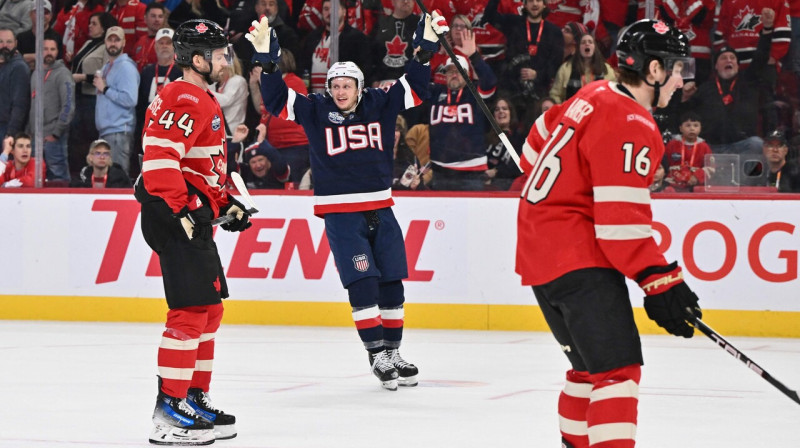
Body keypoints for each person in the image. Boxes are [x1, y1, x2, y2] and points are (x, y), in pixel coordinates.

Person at [516, 20, 702, 448]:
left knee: (588, 372)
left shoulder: (592, 93)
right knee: (617, 374)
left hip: (541, 257)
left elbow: (531, 153)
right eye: (676, 68)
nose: (681, 79)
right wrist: (661, 281)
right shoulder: (632, 121)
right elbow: (620, 227)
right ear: (653, 70)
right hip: (579, 258)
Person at [248, 10, 449, 390]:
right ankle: (376, 355)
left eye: (346, 86)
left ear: (359, 87)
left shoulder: (380, 102)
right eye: (335, 86)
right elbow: (275, 100)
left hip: (380, 206)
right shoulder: (316, 109)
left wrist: (426, 47)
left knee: (392, 284)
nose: (340, 91)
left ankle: (393, 352)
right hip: (341, 214)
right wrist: (266, 61)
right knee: (363, 283)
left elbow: (416, 86)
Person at [135, 19, 251, 445]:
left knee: (208, 311)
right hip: (173, 213)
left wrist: (225, 205)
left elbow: (198, 168)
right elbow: (159, 162)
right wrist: (184, 208)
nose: (225, 60)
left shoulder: (197, 96)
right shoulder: (186, 96)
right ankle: (168, 411)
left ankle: (192, 397)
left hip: (187, 213)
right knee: (188, 314)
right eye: (219, 54)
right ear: (197, 59)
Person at [680, 9, 775, 156]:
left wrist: (767, 30)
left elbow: (761, 57)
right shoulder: (705, 88)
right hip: (710, 148)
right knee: (690, 146)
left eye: (732, 58)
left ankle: (748, 180)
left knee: (757, 144)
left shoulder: (748, 81)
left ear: (738, 64)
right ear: (716, 66)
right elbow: (686, 119)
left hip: (742, 146)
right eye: (724, 58)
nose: (729, 60)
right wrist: (686, 98)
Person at [428, 45, 497, 191]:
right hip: (440, 171)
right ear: (445, 75)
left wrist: (474, 56)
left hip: (471, 172)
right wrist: (419, 59)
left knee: (471, 214)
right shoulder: (435, 92)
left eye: (459, 71)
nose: (454, 74)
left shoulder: (475, 93)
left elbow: (490, 81)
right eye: (450, 71)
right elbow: (414, 84)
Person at [69, 12, 116, 179]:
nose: (90, 26)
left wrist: (82, 77)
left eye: (94, 23)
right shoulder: (88, 43)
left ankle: (91, 171)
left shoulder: (106, 47)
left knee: (87, 137)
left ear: (104, 27)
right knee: (75, 137)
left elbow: (105, 75)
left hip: (92, 98)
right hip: (78, 97)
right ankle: (78, 172)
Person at [299, 0, 372, 94]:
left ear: (344, 11)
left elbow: (365, 70)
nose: (330, 12)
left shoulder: (357, 38)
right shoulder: (312, 37)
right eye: (326, 9)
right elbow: (303, 66)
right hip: (314, 99)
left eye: (334, 9)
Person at [28, 37, 75, 182]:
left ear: (57, 52)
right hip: (36, 137)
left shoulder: (63, 74)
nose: (49, 53)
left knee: (58, 177)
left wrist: (56, 133)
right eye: (45, 49)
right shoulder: (36, 73)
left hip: (54, 137)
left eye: (52, 49)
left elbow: (68, 106)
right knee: (37, 178)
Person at [94, 26, 140, 175]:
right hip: (108, 131)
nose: (113, 43)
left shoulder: (126, 67)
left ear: (124, 43)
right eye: (110, 40)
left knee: (118, 177)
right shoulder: (108, 66)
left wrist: (106, 89)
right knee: (110, 178)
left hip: (119, 131)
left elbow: (130, 99)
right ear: (105, 42)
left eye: (117, 40)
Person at [549, 31, 615, 104]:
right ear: (578, 48)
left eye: (590, 42)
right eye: (583, 42)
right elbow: (555, 94)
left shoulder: (606, 69)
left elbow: (614, 95)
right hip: (571, 111)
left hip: (598, 111)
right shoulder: (566, 68)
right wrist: (562, 107)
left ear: (595, 48)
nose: (587, 44)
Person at [369, 0, 419, 86]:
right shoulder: (381, 23)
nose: (406, 1)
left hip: (411, 83)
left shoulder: (421, 25)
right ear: (393, 2)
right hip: (383, 82)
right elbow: (371, 54)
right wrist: (373, 80)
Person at [663, 111, 713, 192]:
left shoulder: (704, 147)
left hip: (695, 184)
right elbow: (663, 163)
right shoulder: (672, 144)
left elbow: (711, 167)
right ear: (681, 128)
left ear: (700, 128)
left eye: (696, 125)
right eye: (688, 125)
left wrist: (697, 176)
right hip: (672, 184)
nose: (692, 128)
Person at [485, 95, 524, 190]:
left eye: (504, 108)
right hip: (483, 184)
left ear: (511, 113)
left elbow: (519, 166)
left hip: (507, 186)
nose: (501, 111)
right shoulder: (485, 138)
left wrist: (496, 171)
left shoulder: (519, 139)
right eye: (497, 109)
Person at [0, 27, 31, 140]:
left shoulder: (19, 67)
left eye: (9, 42)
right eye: (1, 41)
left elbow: (20, 104)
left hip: (6, 128)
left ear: (16, 43)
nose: (4, 45)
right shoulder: (4, 64)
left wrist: (11, 133)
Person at [53, 0, 105, 65]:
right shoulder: (68, 8)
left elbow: (94, 33)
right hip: (64, 56)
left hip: (85, 56)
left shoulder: (98, 9)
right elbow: (57, 31)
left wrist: (78, 16)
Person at [17, 0, 63, 70]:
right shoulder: (21, 37)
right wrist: (38, 57)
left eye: (46, 12)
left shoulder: (56, 38)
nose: (41, 15)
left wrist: (27, 57)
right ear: (30, 14)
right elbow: (15, 60)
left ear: (51, 16)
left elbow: (56, 64)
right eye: (37, 12)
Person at [132, 2, 167, 71]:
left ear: (164, 20)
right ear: (145, 19)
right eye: (153, 16)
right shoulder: (140, 42)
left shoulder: (168, 43)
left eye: (160, 16)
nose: (157, 20)